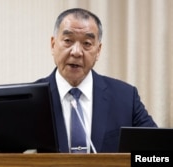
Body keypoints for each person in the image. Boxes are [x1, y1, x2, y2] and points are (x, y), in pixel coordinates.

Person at [36, 8, 157, 153]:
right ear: (53, 44)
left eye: (87, 44)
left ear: (98, 50)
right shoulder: (31, 100)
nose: (76, 52)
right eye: (68, 41)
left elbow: (157, 151)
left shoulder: (125, 97)